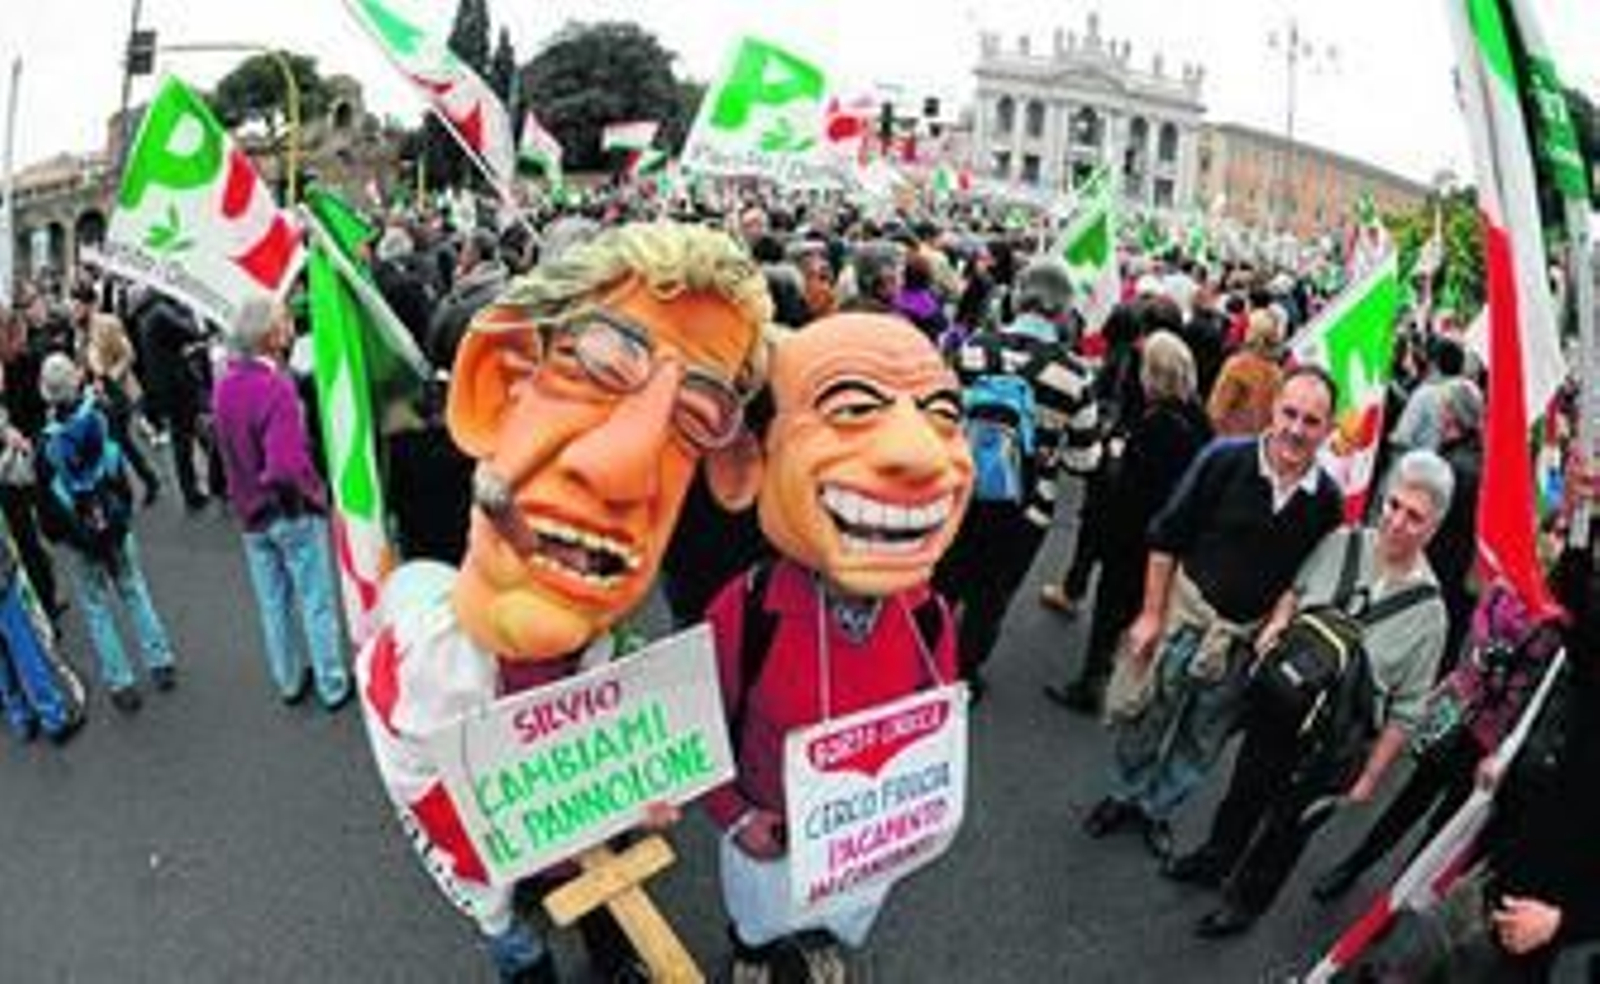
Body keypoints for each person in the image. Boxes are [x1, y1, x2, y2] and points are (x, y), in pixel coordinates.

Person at [354, 222, 770, 983]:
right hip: (505, 877)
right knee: (514, 941)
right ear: (497, 382)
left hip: (578, 835)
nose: (626, 471)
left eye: (697, 413)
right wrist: (565, 822)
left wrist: (620, 797)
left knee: (608, 916)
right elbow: (439, 806)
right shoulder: (410, 673)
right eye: (604, 364)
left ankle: (611, 962)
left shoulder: (619, 656)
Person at [704, 313, 972, 980]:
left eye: (941, 414)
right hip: (769, 827)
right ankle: (752, 954)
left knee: (835, 914)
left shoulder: (930, 616)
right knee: (758, 918)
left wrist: (910, 820)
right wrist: (736, 818)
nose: (920, 453)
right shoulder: (749, 605)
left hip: (860, 840)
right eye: (852, 408)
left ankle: (821, 940)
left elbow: (933, 729)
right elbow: (697, 733)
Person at [1167, 450, 1453, 937]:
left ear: (1434, 527)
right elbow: (1295, 592)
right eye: (1393, 505)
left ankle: (1245, 904)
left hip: (1337, 741)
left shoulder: (1431, 616)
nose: (1397, 522)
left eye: (1414, 516)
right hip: (1284, 703)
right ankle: (1216, 859)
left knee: (1288, 829)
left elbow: (1405, 711)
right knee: (1244, 792)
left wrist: (1369, 776)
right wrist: (1276, 626)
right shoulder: (1342, 542)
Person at [1085, 366, 1343, 859]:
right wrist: (1150, 615)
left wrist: (1280, 620)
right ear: (1273, 409)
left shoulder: (1326, 502)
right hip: (1186, 616)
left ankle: (1155, 810)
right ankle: (1123, 794)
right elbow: (1166, 537)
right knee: (1150, 716)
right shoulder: (1225, 459)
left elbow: (1305, 579)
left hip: (1243, 642)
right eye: (1289, 413)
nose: (1296, 429)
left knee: (1203, 739)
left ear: (1328, 430)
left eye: (1311, 421)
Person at [934, 256, 1099, 698]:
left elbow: (939, 417)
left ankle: (920, 659)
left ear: (1018, 298)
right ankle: (964, 675)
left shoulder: (972, 348)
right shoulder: (1075, 374)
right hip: (1026, 508)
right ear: (1063, 313)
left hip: (959, 493)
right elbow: (1083, 462)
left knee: (942, 583)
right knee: (991, 598)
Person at [1045, 331, 1211, 713]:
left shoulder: (1159, 425)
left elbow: (1130, 490)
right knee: (1137, 610)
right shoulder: (1195, 416)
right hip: (1167, 539)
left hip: (1134, 536)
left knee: (1111, 612)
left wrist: (1112, 460)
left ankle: (1091, 686)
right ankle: (1121, 682)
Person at [212, 299, 349, 710]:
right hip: (289, 509)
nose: (290, 326)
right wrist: (310, 494)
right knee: (315, 599)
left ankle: (289, 680)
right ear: (271, 336)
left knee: (273, 603)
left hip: (251, 514)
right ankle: (332, 683)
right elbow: (287, 464)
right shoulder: (277, 387)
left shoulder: (223, 385)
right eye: (283, 321)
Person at [35, 353, 178, 713]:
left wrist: (68, 537)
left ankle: (121, 683)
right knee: (134, 589)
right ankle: (160, 662)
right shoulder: (100, 418)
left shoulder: (47, 445)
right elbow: (117, 465)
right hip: (114, 522)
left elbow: (48, 505)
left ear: (46, 394)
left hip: (80, 537)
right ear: (76, 381)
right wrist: (122, 512)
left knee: (96, 607)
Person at [1205, 308, 1283, 438]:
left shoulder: (1236, 366)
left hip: (1232, 442)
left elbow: (1216, 412)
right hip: (1258, 444)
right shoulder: (1276, 372)